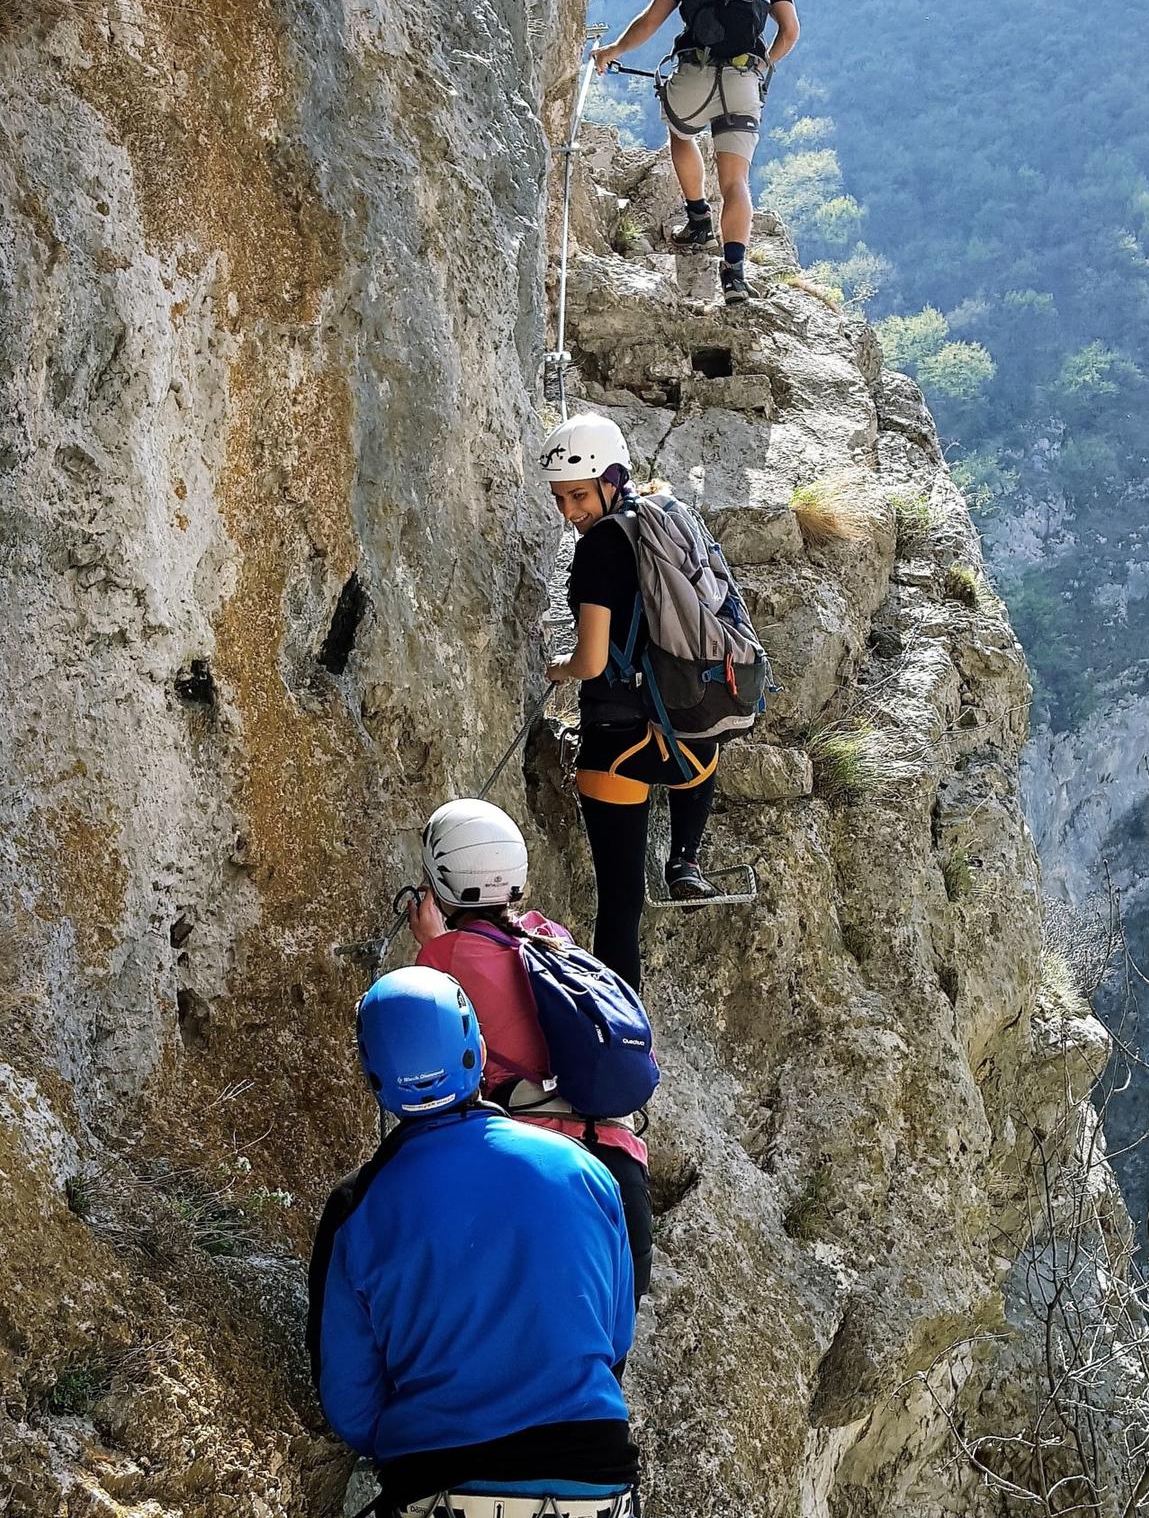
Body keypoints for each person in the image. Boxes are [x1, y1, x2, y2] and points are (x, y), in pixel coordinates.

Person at [309, 967, 640, 1518]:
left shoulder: (357, 1209)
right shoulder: (584, 1171)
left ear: (375, 1079)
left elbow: (350, 1399)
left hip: (441, 1486)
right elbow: (615, 1337)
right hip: (595, 1482)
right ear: (480, 1052)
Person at [407, 797, 654, 1298]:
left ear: (440, 883)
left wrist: (432, 945)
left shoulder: (443, 959)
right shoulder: (552, 938)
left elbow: (438, 1074)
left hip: (541, 1171)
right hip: (621, 1172)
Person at [541, 412, 719, 985]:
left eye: (577, 496)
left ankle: (620, 1028)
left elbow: (592, 662)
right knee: (702, 751)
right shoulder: (662, 524)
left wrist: (559, 667)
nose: (569, 512)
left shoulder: (598, 549)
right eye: (560, 498)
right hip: (686, 742)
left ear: (611, 480)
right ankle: (684, 857)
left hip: (616, 747)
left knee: (619, 907)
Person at [593, 0, 799, 306]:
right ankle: (735, 274)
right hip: (744, 81)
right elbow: (790, 30)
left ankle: (699, 218)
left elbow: (650, 21)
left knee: (681, 133)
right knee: (736, 180)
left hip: (695, 75)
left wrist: (613, 51)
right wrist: (764, 64)